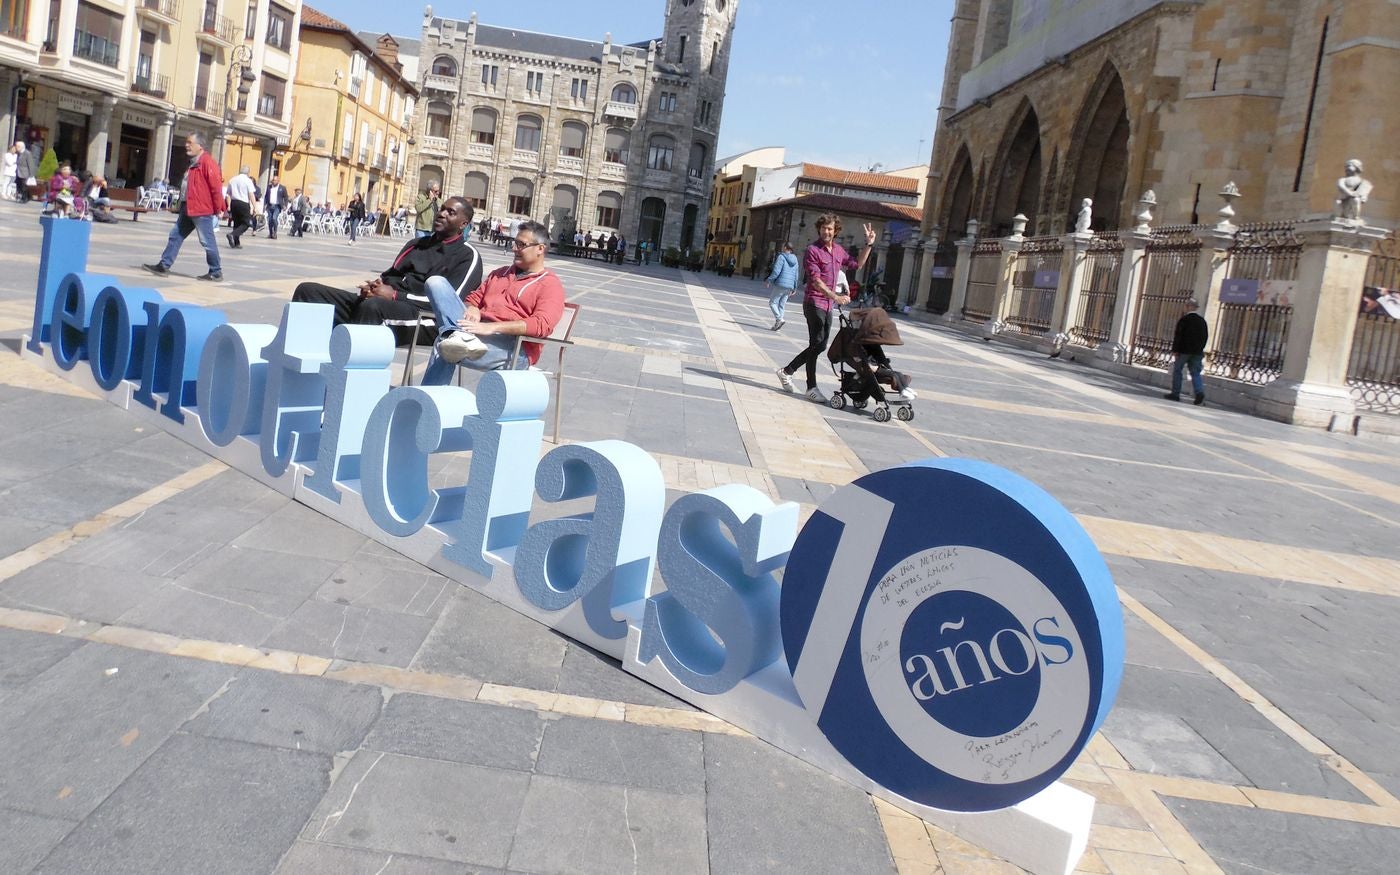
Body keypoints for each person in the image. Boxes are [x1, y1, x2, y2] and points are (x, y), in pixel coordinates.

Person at [290, 196, 482, 328]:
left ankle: (347, 373)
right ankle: (302, 365)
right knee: (308, 292)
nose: (442, 214)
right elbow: (389, 277)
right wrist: (374, 287)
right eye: (441, 209)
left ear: (463, 224)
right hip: (386, 303)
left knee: (371, 308)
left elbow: (448, 303)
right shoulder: (416, 244)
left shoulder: (467, 256)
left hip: (426, 318)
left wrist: (395, 296)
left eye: (450, 212)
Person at [421, 219, 565, 385]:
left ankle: (424, 405)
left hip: (515, 349)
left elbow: (541, 324)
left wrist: (492, 327)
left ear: (540, 249)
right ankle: (459, 336)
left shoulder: (550, 284)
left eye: (521, 244)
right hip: (476, 333)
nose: (514, 248)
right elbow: (473, 298)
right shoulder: (500, 273)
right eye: (514, 243)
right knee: (436, 282)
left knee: (444, 343)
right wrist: (473, 308)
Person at [777, 214, 876, 402]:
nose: (826, 231)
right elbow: (815, 281)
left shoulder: (839, 251)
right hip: (814, 302)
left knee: (821, 345)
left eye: (830, 228)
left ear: (835, 230)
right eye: (823, 228)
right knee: (816, 344)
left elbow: (858, 264)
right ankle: (811, 387)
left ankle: (787, 371)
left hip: (828, 305)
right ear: (819, 229)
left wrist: (869, 244)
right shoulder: (813, 250)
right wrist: (836, 296)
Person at [142, 133, 226, 281]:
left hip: (201, 210)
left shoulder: (206, 162)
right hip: (189, 207)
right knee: (175, 236)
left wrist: (219, 208)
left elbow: (216, 187)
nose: (186, 145)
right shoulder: (194, 163)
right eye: (186, 142)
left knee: (207, 241)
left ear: (200, 146)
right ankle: (164, 265)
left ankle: (216, 271)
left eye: (190, 143)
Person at [1163, 299, 1208, 406]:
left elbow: (1178, 336)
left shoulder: (1184, 320)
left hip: (1183, 351)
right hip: (1197, 352)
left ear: (1188, 306)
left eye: (1186, 306)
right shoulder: (1202, 321)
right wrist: (1200, 349)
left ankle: (1175, 393)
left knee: (1178, 370)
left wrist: (1175, 350)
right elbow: (1205, 337)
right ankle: (1199, 393)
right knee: (1195, 373)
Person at [764, 243, 800, 331]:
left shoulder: (781, 257)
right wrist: (795, 287)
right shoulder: (795, 259)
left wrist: (769, 280)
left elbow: (776, 271)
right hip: (790, 286)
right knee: (781, 305)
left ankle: (779, 319)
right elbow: (796, 274)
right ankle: (778, 326)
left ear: (785, 248)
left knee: (772, 302)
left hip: (781, 284)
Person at [225, 165, 258, 249]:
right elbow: (251, 194)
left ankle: (236, 243)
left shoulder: (232, 180)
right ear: (248, 172)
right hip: (243, 203)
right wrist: (255, 206)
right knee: (246, 223)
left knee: (236, 222)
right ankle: (232, 234)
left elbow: (228, 194)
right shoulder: (248, 181)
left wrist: (229, 205)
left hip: (234, 202)